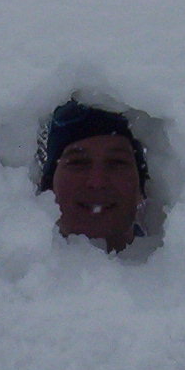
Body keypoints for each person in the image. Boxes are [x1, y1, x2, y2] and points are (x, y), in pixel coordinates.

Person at [37, 98, 150, 253]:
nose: (97, 181)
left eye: (117, 162)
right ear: (50, 186)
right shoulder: (7, 272)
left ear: (141, 187)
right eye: (78, 163)